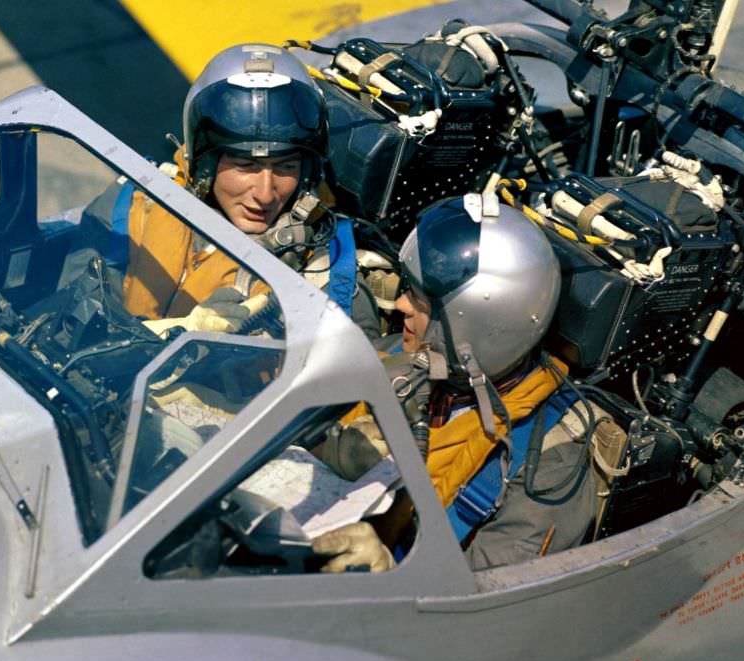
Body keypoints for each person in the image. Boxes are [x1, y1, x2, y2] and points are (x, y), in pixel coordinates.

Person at [312, 193, 599, 572]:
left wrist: (390, 573)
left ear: (476, 327)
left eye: (419, 300)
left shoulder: (548, 466)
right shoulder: (408, 353)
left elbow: (492, 612)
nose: (400, 307)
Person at [62, 43, 379, 338]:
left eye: (286, 167)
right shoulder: (132, 206)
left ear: (307, 171)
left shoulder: (324, 281)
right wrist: (183, 330)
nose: (266, 194)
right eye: (245, 166)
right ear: (205, 165)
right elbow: (69, 320)